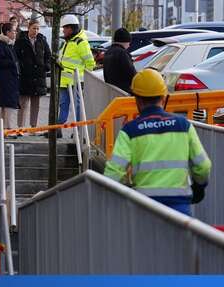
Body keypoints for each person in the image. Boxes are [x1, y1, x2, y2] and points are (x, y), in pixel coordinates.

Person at [104, 69, 212, 216]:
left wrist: (126, 190)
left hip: (144, 208)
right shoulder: (183, 125)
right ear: (163, 96)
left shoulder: (130, 131)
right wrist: (199, 187)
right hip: (179, 208)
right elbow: (203, 166)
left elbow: (113, 174)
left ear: (138, 99)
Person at [56, 14, 95, 137]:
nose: (63, 30)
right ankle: (57, 129)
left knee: (77, 107)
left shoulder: (80, 42)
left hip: (75, 81)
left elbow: (90, 63)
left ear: (71, 28)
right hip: (64, 80)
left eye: (65, 28)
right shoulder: (69, 41)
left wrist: (83, 78)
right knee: (63, 105)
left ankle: (78, 132)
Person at [15, 19, 50, 129]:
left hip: (38, 76)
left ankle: (33, 126)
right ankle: (20, 126)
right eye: (34, 28)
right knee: (23, 103)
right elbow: (16, 56)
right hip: (25, 76)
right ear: (28, 27)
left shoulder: (42, 40)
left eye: (38, 28)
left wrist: (46, 66)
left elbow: (48, 55)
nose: (36, 31)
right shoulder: (21, 40)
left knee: (36, 104)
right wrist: (21, 68)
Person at [0, 23, 19, 130]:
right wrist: (13, 63)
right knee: (9, 105)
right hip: (6, 80)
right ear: (7, 33)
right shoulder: (2, 45)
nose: (15, 33)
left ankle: (3, 129)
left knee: (6, 106)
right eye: (13, 31)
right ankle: (8, 129)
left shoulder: (9, 45)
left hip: (9, 79)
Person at [103, 28, 136, 94]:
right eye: (129, 42)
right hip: (124, 91)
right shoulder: (122, 53)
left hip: (112, 91)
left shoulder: (108, 52)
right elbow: (131, 73)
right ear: (125, 41)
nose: (129, 45)